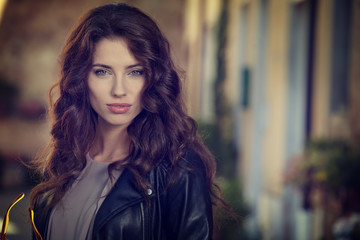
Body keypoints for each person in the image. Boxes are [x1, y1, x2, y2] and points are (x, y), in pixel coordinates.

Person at [29, 3, 230, 240]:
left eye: (135, 72)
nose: (119, 90)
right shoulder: (68, 157)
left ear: (154, 78)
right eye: (103, 71)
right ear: (81, 77)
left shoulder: (179, 167)